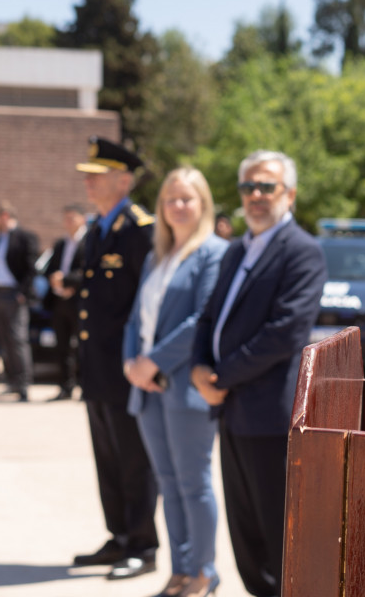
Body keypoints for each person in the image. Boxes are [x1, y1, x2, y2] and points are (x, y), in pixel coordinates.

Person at [191, 150, 326, 597]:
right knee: (245, 539)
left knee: (277, 537)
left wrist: (221, 376)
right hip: (231, 412)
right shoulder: (235, 250)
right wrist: (198, 368)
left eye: (266, 186)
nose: (255, 195)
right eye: (248, 186)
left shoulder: (302, 252)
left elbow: (284, 333)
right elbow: (209, 316)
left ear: (288, 193)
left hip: (269, 418)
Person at [124, 167, 228, 597]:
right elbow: (136, 318)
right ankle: (180, 571)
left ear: (202, 204)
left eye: (187, 198)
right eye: (170, 199)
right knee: (168, 483)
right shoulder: (157, 256)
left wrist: (152, 361)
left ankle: (204, 572)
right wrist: (132, 363)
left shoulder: (214, 252)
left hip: (185, 386)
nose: (178, 206)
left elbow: (199, 320)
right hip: (146, 388)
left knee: (193, 481)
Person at [71, 137, 159, 581]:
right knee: (106, 456)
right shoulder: (97, 228)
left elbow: (148, 303)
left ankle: (144, 545)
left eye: (97, 175)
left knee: (133, 458)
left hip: (126, 368)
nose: (88, 182)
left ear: (123, 180)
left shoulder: (139, 228)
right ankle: (120, 536)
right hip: (97, 366)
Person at [0, 201, 39, 402]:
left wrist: (22, 293)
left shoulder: (24, 237)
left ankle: (24, 385)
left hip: (13, 295)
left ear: (4, 216)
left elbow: (31, 268)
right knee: (3, 339)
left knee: (17, 340)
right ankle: (11, 381)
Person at [44, 204, 87, 401]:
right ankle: (66, 386)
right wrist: (54, 279)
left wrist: (69, 281)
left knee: (84, 345)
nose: (68, 222)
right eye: (66, 218)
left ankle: (86, 385)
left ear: (82, 219)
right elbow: (49, 267)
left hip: (80, 301)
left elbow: (88, 271)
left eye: (72, 218)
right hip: (60, 301)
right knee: (62, 345)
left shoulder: (88, 241)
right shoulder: (61, 243)